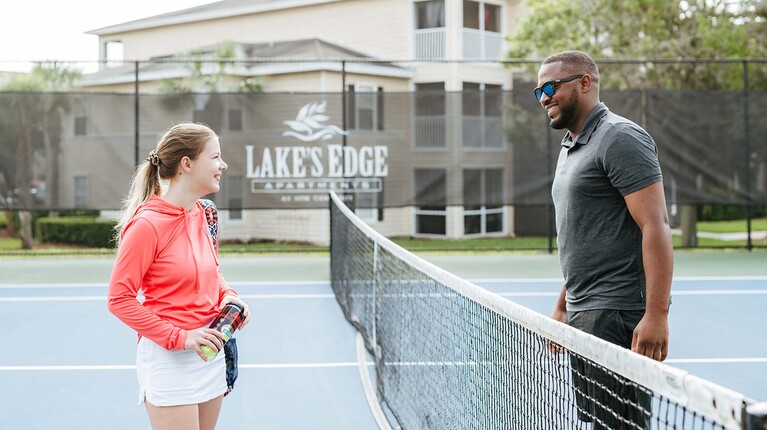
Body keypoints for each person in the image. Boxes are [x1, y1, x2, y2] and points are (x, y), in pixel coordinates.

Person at [536, 51, 673, 428]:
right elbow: (588, 236)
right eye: (539, 91)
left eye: (551, 86)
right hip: (585, 313)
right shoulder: (571, 146)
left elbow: (656, 225)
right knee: (599, 423)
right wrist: (564, 306)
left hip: (616, 313)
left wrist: (656, 315)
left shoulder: (620, 137)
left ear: (584, 83)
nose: (544, 96)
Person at [108, 122, 250, 430]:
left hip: (209, 350)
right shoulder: (147, 225)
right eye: (215, 157)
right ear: (187, 164)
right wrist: (181, 337)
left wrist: (228, 295)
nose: (223, 165)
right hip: (169, 359)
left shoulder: (205, 213)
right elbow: (119, 300)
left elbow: (212, 272)